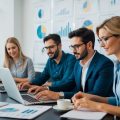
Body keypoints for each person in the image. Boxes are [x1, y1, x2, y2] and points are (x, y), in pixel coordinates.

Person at [27, 28, 114, 100]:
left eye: (76, 46)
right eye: (72, 47)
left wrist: (59, 95)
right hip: (81, 107)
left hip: (100, 111)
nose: (73, 51)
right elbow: (69, 84)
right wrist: (47, 89)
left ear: (89, 45)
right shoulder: (78, 63)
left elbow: (98, 94)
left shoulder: (105, 64)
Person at [72, 16, 120, 117]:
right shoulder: (117, 65)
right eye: (100, 40)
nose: (102, 45)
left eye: (105, 39)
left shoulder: (106, 64)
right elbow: (118, 100)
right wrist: (90, 97)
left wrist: (97, 105)